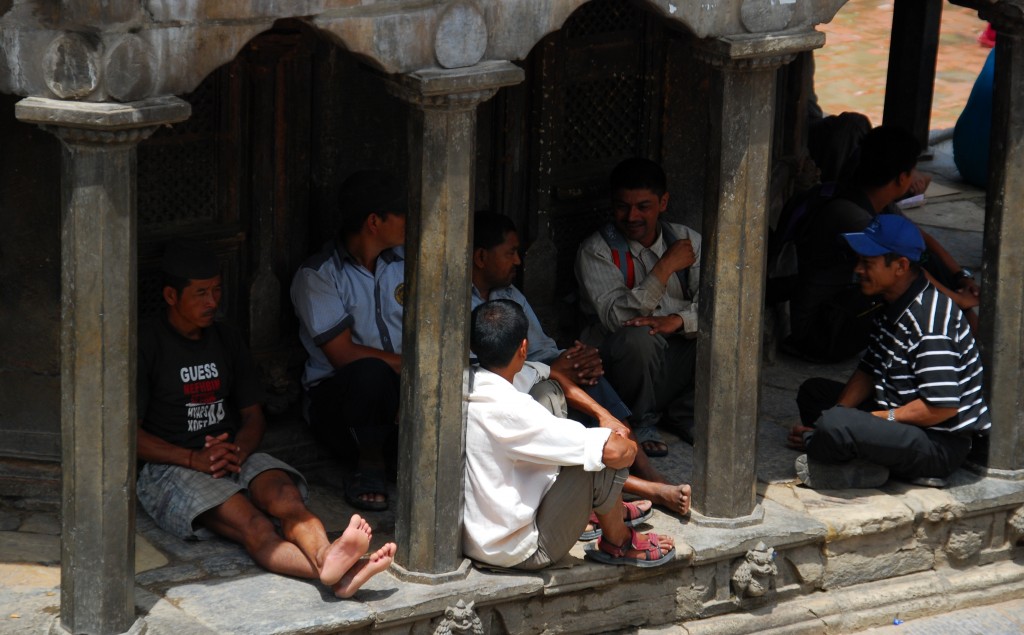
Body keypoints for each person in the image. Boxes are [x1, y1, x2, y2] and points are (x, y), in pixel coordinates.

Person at [137, 240, 395, 597]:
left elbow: (253, 416)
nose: (213, 302)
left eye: (216, 291)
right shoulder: (146, 343)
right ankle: (337, 572)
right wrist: (192, 458)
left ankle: (328, 558)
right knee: (255, 526)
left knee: (288, 500)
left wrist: (239, 450)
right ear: (170, 295)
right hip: (172, 466)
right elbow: (127, 436)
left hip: (232, 455)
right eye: (200, 294)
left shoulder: (225, 338)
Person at [472, 211, 691, 516]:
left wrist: (573, 360)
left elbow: (542, 349)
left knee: (588, 379)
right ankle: (646, 489)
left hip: (534, 372)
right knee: (551, 401)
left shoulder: (510, 295)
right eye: (510, 253)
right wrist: (554, 368)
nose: (518, 262)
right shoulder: (458, 300)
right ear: (481, 257)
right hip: (494, 393)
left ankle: (649, 474)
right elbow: (479, 371)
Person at [464, 300, 676, 569]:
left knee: (550, 393)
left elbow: (549, 372)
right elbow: (616, 452)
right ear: (524, 348)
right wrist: (624, 442)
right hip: (520, 551)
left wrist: (604, 415)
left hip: (476, 539)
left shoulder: (470, 380)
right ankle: (619, 542)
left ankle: (608, 508)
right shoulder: (517, 411)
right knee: (601, 457)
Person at [787, 216, 991, 489]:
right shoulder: (892, 303)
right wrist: (840, 415)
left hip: (937, 443)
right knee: (816, 396)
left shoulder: (930, 324)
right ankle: (863, 458)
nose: (858, 269)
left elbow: (942, 407)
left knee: (836, 425)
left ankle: (855, 456)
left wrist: (867, 422)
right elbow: (869, 368)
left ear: (900, 266)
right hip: (899, 417)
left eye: (867, 263)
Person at [781, 125, 980, 362]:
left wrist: (960, 277)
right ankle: (966, 344)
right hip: (820, 332)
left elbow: (922, 240)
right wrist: (959, 299)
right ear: (902, 177)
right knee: (905, 277)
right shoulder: (849, 214)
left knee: (925, 260)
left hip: (840, 311)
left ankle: (968, 337)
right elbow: (909, 271)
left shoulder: (876, 201)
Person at [290, 170, 406, 511]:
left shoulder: (407, 263)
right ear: (374, 221)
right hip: (342, 408)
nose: (410, 221)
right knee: (369, 373)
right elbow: (343, 355)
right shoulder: (318, 275)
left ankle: (395, 453)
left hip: (401, 394)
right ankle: (369, 466)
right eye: (401, 214)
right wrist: (413, 367)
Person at [575, 158, 700, 455]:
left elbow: (718, 305)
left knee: (729, 330)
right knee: (639, 339)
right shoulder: (597, 250)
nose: (631, 216)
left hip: (675, 356)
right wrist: (664, 268)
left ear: (663, 202)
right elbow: (617, 318)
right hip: (623, 365)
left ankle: (684, 413)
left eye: (643, 206)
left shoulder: (687, 240)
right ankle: (641, 422)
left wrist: (679, 321)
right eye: (622, 206)